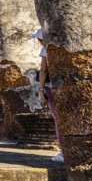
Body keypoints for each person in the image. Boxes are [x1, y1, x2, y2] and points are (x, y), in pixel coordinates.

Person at [33, 28, 64, 163]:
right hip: (65, 86)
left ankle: (64, 151)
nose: (39, 42)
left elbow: (43, 71)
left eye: (39, 39)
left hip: (52, 88)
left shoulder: (46, 49)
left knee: (58, 119)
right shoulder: (62, 46)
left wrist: (41, 91)